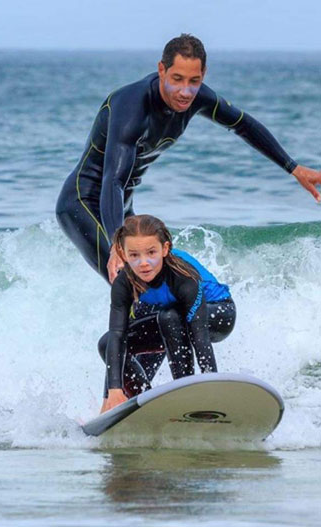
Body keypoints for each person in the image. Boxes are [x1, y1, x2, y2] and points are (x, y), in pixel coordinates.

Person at [56, 34, 321, 285]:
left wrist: (293, 168)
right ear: (162, 69)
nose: (185, 91)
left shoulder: (199, 97)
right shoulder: (131, 108)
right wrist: (118, 245)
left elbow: (244, 124)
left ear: (203, 75)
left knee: (164, 285)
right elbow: (113, 180)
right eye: (177, 79)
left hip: (121, 209)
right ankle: (121, 332)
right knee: (130, 281)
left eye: (193, 81)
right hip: (83, 203)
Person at [98, 214, 236, 413]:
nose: (143, 263)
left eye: (151, 253)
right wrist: (112, 392)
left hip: (218, 313)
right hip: (172, 316)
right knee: (107, 342)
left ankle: (187, 394)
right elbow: (118, 335)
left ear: (165, 249)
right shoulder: (124, 283)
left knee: (169, 316)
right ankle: (142, 401)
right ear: (123, 253)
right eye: (134, 255)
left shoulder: (182, 276)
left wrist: (209, 389)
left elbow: (200, 339)